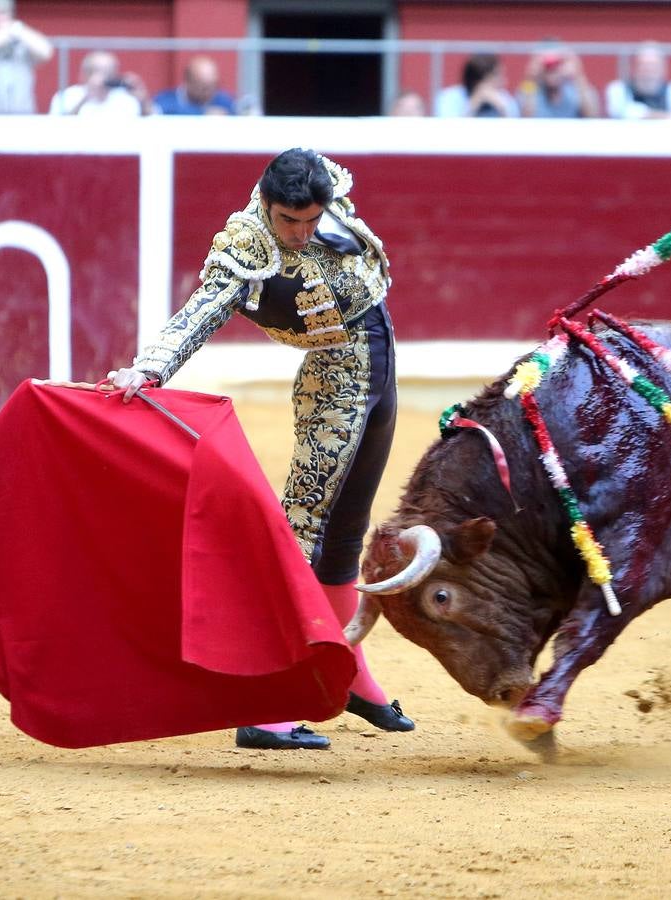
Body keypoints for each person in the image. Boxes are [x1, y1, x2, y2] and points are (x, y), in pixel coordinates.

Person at [102, 149, 413, 750]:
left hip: (379, 374)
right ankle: (266, 703)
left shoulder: (327, 195)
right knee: (301, 534)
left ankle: (350, 676)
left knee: (346, 535)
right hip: (334, 387)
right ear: (266, 206)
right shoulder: (247, 242)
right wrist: (150, 368)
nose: (299, 235)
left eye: (309, 222)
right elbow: (203, 309)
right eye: (287, 222)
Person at [605, 42, 671, 120]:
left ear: (663, 69)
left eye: (653, 66)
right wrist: (668, 117)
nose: (649, 71)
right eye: (644, 66)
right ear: (634, 68)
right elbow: (622, 112)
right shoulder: (619, 88)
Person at [49, 51, 149, 117]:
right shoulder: (67, 96)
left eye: (109, 71)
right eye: (98, 71)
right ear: (85, 74)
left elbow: (151, 124)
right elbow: (58, 129)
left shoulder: (126, 98)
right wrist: (85, 98)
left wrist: (143, 101)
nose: (104, 77)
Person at [517, 42, 599, 118]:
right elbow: (526, 116)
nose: (552, 70)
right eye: (547, 66)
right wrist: (530, 78)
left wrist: (578, 76)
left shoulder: (575, 89)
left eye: (557, 64)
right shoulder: (531, 88)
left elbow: (592, 115)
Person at [435, 53, 519, 117]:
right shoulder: (449, 97)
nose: (504, 81)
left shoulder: (505, 99)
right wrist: (473, 105)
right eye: (498, 76)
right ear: (479, 80)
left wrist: (503, 109)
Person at [153, 56, 236, 116]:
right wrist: (202, 114)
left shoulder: (223, 100)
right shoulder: (167, 100)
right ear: (188, 82)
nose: (210, 92)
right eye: (204, 88)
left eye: (214, 85)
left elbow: (239, 113)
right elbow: (153, 112)